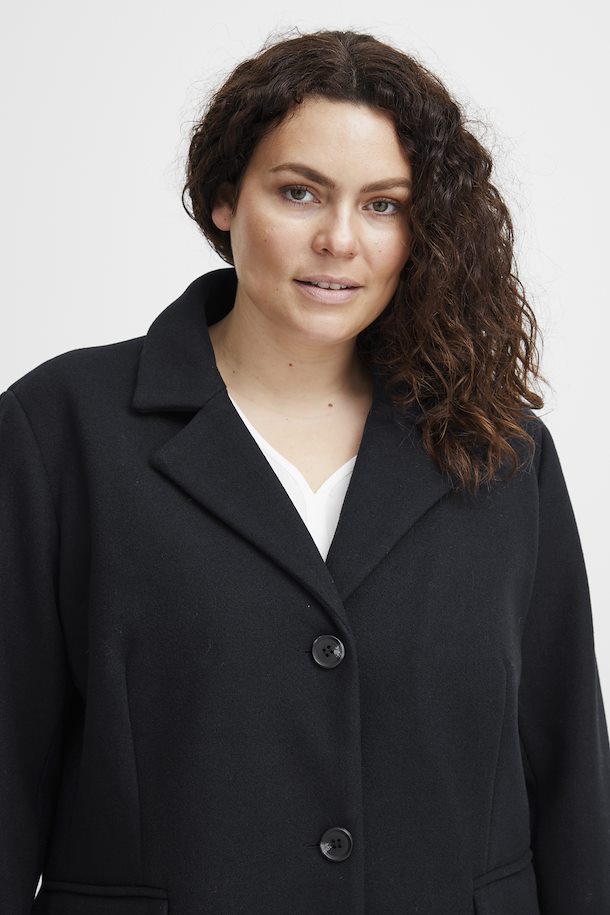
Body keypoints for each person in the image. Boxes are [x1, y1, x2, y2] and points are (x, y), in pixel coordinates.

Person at [1, 27, 609, 915]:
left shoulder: (499, 448)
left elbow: (570, 774)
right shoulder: (60, 432)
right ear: (224, 198)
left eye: (384, 205)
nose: (339, 240)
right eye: (299, 192)